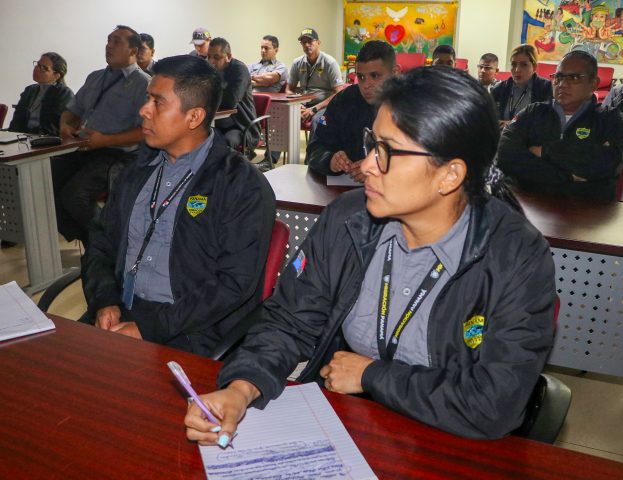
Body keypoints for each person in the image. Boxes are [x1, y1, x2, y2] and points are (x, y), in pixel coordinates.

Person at [183, 67, 557, 445]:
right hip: (352, 426)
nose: (366, 166)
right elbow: (289, 321)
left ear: (450, 175)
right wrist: (240, 389)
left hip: (449, 442)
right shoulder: (349, 220)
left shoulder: (516, 257)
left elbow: (494, 403)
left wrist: (371, 375)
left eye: (387, 152)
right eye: (371, 144)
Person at [81, 55, 276, 357]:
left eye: (157, 102)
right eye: (147, 98)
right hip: (121, 312)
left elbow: (233, 284)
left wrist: (150, 327)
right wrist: (105, 299)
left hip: (190, 331)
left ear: (194, 117)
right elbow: (101, 242)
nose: (144, 110)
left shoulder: (240, 185)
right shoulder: (135, 170)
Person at [53, 25, 150, 244]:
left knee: (75, 194)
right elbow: (72, 110)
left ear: (133, 51)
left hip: (117, 154)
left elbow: (144, 131)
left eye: (117, 42)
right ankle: (93, 242)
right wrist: (65, 126)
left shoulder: (143, 84)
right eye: (108, 40)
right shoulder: (95, 77)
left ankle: (105, 244)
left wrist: (105, 140)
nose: (109, 46)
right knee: (45, 183)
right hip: (84, 147)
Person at [497, 51, 623, 202]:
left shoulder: (611, 119)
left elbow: (609, 164)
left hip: (587, 209)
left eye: (574, 78)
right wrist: (565, 175)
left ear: (594, 83)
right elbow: (504, 155)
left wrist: (545, 151)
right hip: (531, 205)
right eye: (558, 77)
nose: (562, 84)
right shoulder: (532, 113)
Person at [307, 40, 398, 183]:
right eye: (361, 77)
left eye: (375, 76)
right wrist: (330, 159)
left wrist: (381, 167)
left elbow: (426, 162)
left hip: (396, 192)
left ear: (395, 73)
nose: (366, 85)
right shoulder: (344, 99)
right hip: (343, 188)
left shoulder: (415, 106)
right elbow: (316, 148)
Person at [207, 37, 259, 151]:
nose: (211, 61)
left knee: (224, 142)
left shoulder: (239, 70)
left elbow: (231, 101)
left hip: (240, 125)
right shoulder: (211, 70)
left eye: (216, 57)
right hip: (217, 123)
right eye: (209, 57)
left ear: (229, 57)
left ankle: (232, 161)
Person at [248, 34, 289, 169]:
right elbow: (244, 78)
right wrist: (262, 79)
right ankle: (247, 151)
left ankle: (269, 160)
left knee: (283, 118)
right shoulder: (253, 65)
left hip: (272, 108)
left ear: (276, 50)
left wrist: (253, 79)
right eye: (261, 48)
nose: (263, 51)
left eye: (266, 48)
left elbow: (270, 79)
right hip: (250, 104)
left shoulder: (281, 67)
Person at [8, 52, 74, 135]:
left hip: (45, 139)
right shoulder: (29, 90)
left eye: (44, 68)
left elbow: (51, 128)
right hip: (22, 137)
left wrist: (27, 136)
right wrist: (11, 135)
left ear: (56, 76)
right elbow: (16, 121)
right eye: (38, 65)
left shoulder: (64, 93)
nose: (37, 69)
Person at [287, 28, 344, 124]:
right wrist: (297, 104)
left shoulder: (330, 63)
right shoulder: (297, 63)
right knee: (282, 117)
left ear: (318, 42)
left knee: (318, 121)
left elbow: (338, 93)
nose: (307, 45)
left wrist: (314, 109)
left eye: (310, 41)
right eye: (303, 42)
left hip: (324, 106)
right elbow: (289, 89)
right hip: (303, 105)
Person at [490, 44, 552, 127]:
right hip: (503, 135)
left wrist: (512, 124)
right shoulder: (498, 89)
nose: (517, 70)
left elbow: (547, 122)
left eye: (524, 65)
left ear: (534, 67)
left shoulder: (546, 88)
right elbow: (488, 119)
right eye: (513, 64)